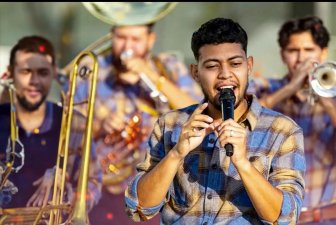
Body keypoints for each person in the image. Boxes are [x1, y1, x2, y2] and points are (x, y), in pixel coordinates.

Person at [125, 17, 306, 225]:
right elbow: (138, 209)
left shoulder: (282, 131)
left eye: (235, 64)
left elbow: (286, 218)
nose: (225, 74)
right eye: (212, 66)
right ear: (195, 72)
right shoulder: (171, 124)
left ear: (249, 66)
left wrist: (243, 164)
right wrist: (176, 154)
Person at [70, 22, 204, 225]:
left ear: (150, 40)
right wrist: (99, 124)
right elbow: (67, 132)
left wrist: (151, 75)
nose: (127, 47)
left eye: (136, 39)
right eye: (121, 38)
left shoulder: (168, 66)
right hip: (101, 194)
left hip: (156, 193)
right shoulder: (92, 72)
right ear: (111, 36)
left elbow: (197, 111)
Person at [249, 16, 336, 225]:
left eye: (309, 50)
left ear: (323, 53)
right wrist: (288, 90)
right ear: (283, 55)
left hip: (324, 219)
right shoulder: (265, 88)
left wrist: (328, 104)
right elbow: (241, 121)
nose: (301, 59)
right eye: (293, 51)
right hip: (273, 218)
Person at [0, 36, 102, 215]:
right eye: (25, 71)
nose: (34, 81)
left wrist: (66, 192)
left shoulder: (74, 123)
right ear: (10, 73)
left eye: (43, 73)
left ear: (54, 73)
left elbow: (93, 182)